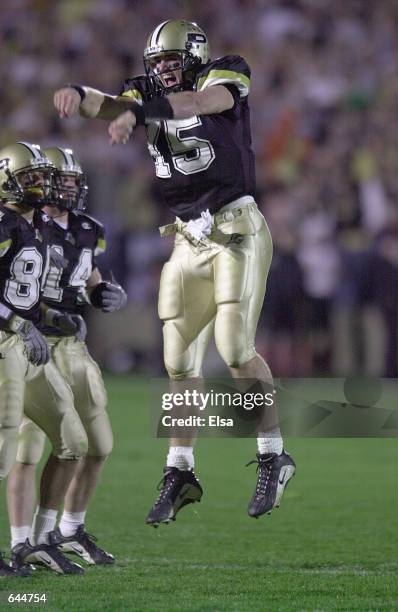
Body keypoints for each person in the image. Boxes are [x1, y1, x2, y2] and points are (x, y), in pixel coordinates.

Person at [54, 19, 296, 526]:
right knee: (179, 363)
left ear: (194, 56)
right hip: (186, 234)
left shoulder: (225, 73)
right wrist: (83, 94)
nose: (163, 69)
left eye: (171, 60)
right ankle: (179, 469)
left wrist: (135, 112)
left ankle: (274, 455)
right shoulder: (143, 92)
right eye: (157, 63)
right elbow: (110, 104)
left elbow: (200, 105)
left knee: (233, 350)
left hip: (237, 225)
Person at [8, 146, 127, 571]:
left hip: (69, 343)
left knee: (96, 445)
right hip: (33, 340)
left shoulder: (87, 228)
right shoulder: (27, 223)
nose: (71, 188)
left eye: (76, 181)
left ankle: (67, 530)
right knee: (25, 449)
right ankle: (26, 540)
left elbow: (88, 274)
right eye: (65, 180)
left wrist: (102, 293)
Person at [0, 142, 88, 575]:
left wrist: (55, 316)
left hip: (27, 344)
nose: (42, 183)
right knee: (3, 450)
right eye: (31, 176)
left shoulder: (35, 225)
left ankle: (34, 541)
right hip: (3, 344)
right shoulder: (3, 222)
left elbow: (27, 296)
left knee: (74, 442)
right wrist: (17, 324)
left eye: (42, 176)